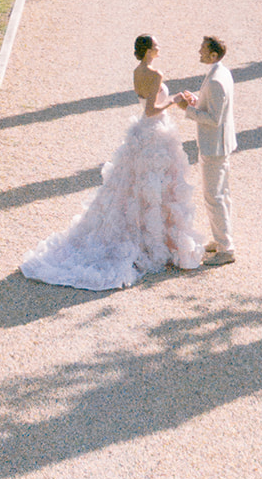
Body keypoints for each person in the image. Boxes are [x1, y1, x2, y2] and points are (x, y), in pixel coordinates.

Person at [19, 35, 205, 290]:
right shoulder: (156, 73)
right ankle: (157, 240)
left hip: (141, 133)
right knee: (156, 185)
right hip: (155, 132)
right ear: (150, 50)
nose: (160, 47)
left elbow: (144, 105)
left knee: (133, 186)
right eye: (157, 44)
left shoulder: (137, 71)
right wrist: (174, 100)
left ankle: (151, 235)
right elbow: (152, 109)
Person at [179, 35, 237, 265]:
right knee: (222, 194)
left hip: (214, 147)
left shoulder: (216, 80)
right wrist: (196, 99)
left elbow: (214, 119)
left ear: (214, 55)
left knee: (214, 197)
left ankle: (226, 248)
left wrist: (187, 109)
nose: (199, 52)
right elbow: (212, 102)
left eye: (202, 49)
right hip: (219, 144)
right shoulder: (221, 72)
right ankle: (222, 238)